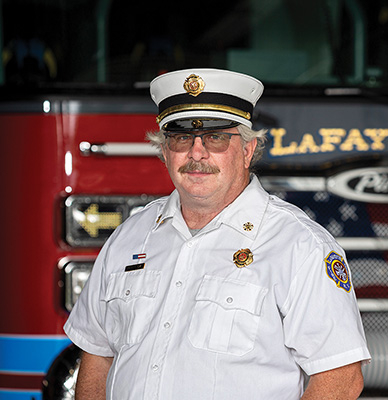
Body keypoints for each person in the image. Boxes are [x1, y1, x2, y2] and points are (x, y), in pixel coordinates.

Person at [64, 68, 371, 400]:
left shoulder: (300, 246)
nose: (197, 153)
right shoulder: (129, 237)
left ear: (248, 150)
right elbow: (97, 354)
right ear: (165, 151)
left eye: (216, 137)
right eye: (182, 137)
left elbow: (340, 378)